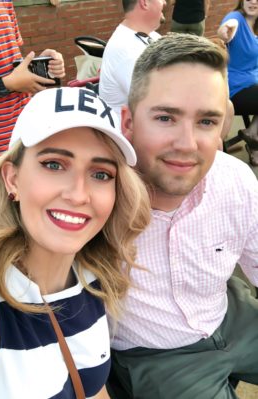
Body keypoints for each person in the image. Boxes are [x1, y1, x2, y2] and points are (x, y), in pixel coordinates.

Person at [0, 86, 150, 399]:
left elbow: (91, 388)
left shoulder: (93, 280)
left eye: (100, 174)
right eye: (54, 164)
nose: (77, 194)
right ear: (12, 179)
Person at [107, 33, 258, 399]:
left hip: (230, 315)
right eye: (165, 117)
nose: (187, 144)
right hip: (159, 356)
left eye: (206, 122)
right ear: (127, 123)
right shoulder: (97, 197)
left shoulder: (234, 177)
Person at [0, 0, 65, 177]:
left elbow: (10, 62)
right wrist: (5, 84)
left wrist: (40, 64)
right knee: (0, 204)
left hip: (27, 129)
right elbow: (9, 80)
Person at [99, 0, 166, 120]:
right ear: (144, 2)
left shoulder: (152, 36)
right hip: (130, 134)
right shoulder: (125, 49)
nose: (165, 2)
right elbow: (156, 102)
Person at [218, 0, 258, 165]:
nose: (253, 1)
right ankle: (254, 139)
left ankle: (253, 135)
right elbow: (227, 28)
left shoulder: (255, 26)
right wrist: (224, 32)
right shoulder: (235, 18)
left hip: (253, 84)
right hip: (235, 88)